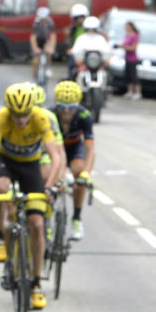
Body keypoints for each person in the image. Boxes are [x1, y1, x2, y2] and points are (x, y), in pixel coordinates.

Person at [0, 83, 65, 311]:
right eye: (16, 115)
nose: (20, 120)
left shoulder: (40, 118)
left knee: (37, 224)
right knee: (1, 189)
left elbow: (56, 158)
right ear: (9, 110)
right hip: (6, 162)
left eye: (24, 115)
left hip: (30, 166)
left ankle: (36, 284)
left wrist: (49, 186)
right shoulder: (1, 118)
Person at [52, 80, 95, 240]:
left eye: (71, 107)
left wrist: (86, 174)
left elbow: (90, 148)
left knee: (79, 171)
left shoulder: (84, 116)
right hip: (55, 149)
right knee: (53, 176)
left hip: (75, 146)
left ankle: (76, 218)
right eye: (62, 107)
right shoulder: (50, 115)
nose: (67, 111)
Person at [30, 6, 54, 81]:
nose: (43, 20)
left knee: (49, 53)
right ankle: (34, 77)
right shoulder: (36, 23)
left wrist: (51, 47)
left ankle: (48, 68)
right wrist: (35, 48)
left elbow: (53, 35)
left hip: (46, 40)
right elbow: (33, 36)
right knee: (35, 61)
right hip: (38, 40)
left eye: (45, 19)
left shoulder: (50, 22)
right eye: (42, 19)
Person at [64, 3, 87, 79]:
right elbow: (68, 40)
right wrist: (69, 49)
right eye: (78, 18)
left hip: (88, 51)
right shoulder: (72, 29)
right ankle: (72, 78)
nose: (80, 20)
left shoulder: (90, 28)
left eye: (82, 18)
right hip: (76, 52)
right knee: (72, 64)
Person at [120, 20, 140, 99]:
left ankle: (137, 92)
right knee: (128, 76)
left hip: (133, 59)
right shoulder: (127, 35)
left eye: (127, 26)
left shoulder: (135, 36)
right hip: (127, 58)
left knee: (133, 76)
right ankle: (130, 91)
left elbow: (133, 48)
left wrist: (124, 47)